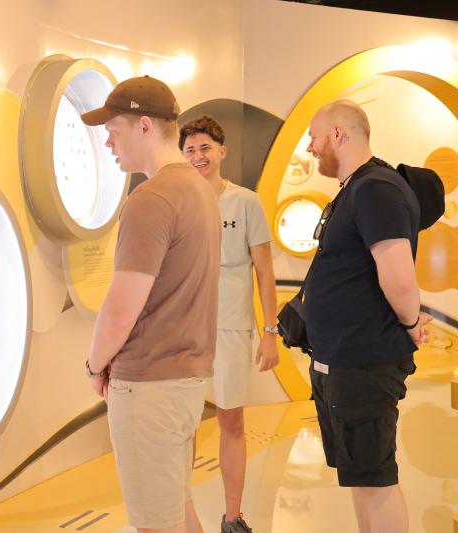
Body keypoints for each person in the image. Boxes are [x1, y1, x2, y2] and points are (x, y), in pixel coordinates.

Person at [81, 76, 220, 533]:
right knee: (177, 509)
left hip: (149, 387)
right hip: (184, 382)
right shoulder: (199, 190)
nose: (108, 142)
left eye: (113, 130)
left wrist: (94, 365)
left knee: (157, 523)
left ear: (144, 126)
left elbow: (122, 308)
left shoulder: (151, 199)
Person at [304, 99, 431, 533]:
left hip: (364, 364)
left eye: (314, 137)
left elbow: (399, 277)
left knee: (376, 482)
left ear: (338, 134)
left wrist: (411, 324)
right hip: (342, 362)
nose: (310, 147)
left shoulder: (376, 189)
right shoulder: (357, 189)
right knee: (361, 479)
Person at [178, 116, 279, 533]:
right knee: (182, 424)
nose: (198, 156)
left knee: (231, 421)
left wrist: (270, 332)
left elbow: (265, 271)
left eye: (205, 148)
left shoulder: (245, 202)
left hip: (232, 327)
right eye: (190, 150)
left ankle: (233, 517)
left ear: (221, 151)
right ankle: (180, 514)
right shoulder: (178, 201)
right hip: (184, 329)